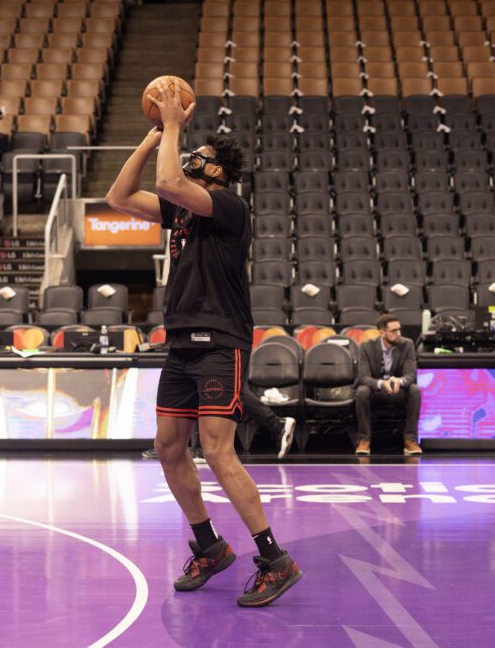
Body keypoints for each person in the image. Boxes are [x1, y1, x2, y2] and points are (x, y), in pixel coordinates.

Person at [105, 79, 302, 608]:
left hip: (221, 341)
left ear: (221, 172)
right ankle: (209, 546)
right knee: (169, 449)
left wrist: (172, 127)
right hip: (182, 344)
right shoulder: (181, 210)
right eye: (192, 153)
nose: (193, 160)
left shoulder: (228, 207)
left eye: (204, 158)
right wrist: (153, 135)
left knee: (216, 449)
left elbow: (170, 179)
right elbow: (118, 196)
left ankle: (274, 558)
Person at [142, 388, 296, 460]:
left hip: (222, 341)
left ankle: (277, 425)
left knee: (234, 389)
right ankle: (277, 425)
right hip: (225, 340)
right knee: (204, 387)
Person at [354, 313, 423, 457]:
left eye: (399, 330)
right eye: (394, 331)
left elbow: (411, 374)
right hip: (376, 391)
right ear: (381, 332)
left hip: (398, 391)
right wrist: (381, 384)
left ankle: (410, 440)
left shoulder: (407, 344)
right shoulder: (366, 347)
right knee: (362, 391)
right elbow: (363, 377)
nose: (399, 334)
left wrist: (400, 381)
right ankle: (364, 440)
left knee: (414, 390)